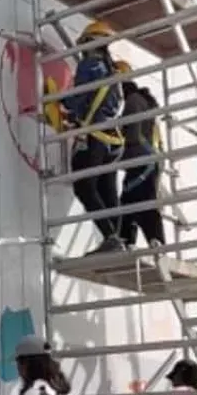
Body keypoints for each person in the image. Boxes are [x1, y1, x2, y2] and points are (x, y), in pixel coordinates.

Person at [63, 21, 127, 254]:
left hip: (96, 137)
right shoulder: (113, 72)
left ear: (90, 43)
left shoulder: (89, 65)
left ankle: (111, 237)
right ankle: (118, 239)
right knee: (108, 190)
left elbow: (79, 96)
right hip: (113, 140)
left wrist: (59, 102)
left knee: (84, 187)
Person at [114, 60, 166, 249]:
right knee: (129, 201)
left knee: (142, 201)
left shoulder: (133, 100)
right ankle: (127, 242)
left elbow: (132, 134)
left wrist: (114, 152)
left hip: (142, 160)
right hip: (147, 160)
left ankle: (155, 241)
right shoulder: (143, 101)